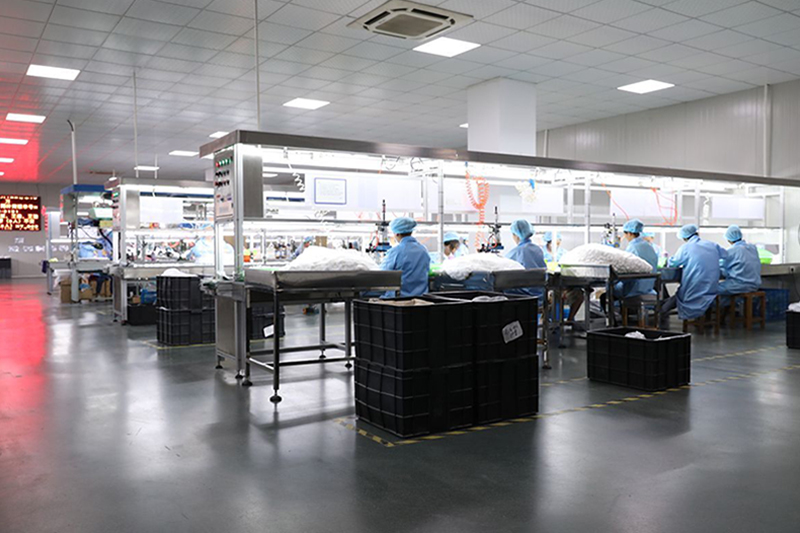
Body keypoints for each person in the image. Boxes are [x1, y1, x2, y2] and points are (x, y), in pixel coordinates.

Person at [659, 224, 727, 329]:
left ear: (684, 237)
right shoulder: (712, 245)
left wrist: (667, 261)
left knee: (680, 295)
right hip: (711, 287)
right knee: (694, 295)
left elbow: (673, 263)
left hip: (694, 287)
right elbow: (726, 255)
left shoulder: (686, 247)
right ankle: (705, 319)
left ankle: (661, 312)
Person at [381, 217, 430, 298]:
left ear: (397, 234)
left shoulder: (396, 251)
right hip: (421, 299)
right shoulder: (423, 250)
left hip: (399, 299)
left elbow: (382, 274)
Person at [614, 219, 658, 300]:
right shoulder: (648, 246)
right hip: (648, 289)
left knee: (608, 291)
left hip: (634, 289)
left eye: (625, 234)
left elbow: (625, 268)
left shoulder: (632, 248)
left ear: (629, 233)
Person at [718, 225, 761, 305]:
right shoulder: (752, 248)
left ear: (728, 239)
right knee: (725, 296)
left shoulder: (731, 251)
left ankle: (717, 310)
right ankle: (729, 310)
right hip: (754, 285)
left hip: (739, 285)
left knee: (712, 289)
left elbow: (721, 266)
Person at [505, 219, 546, 298]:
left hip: (523, 296)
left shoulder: (517, 252)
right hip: (540, 295)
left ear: (516, 235)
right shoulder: (537, 249)